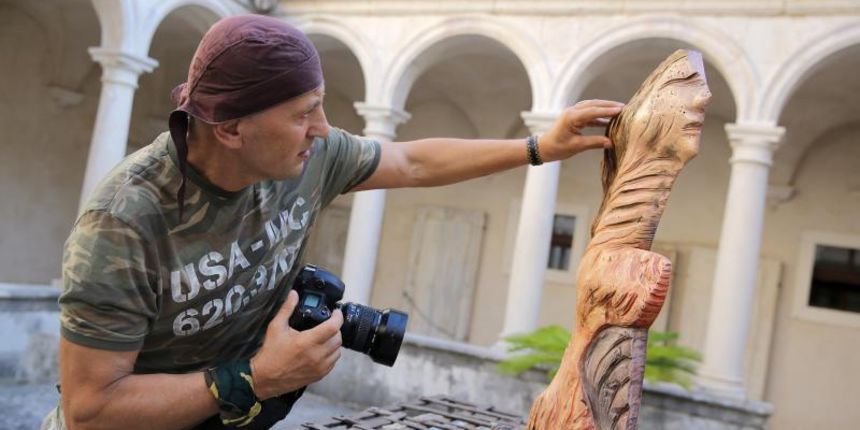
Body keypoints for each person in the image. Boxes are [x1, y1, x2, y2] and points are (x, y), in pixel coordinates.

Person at [43, 14, 623, 430]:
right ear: (230, 129)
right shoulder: (125, 223)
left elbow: (410, 161)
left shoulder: (304, 157)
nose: (323, 127)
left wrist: (538, 147)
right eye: (303, 114)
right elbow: (92, 409)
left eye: (319, 104)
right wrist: (253, 378)